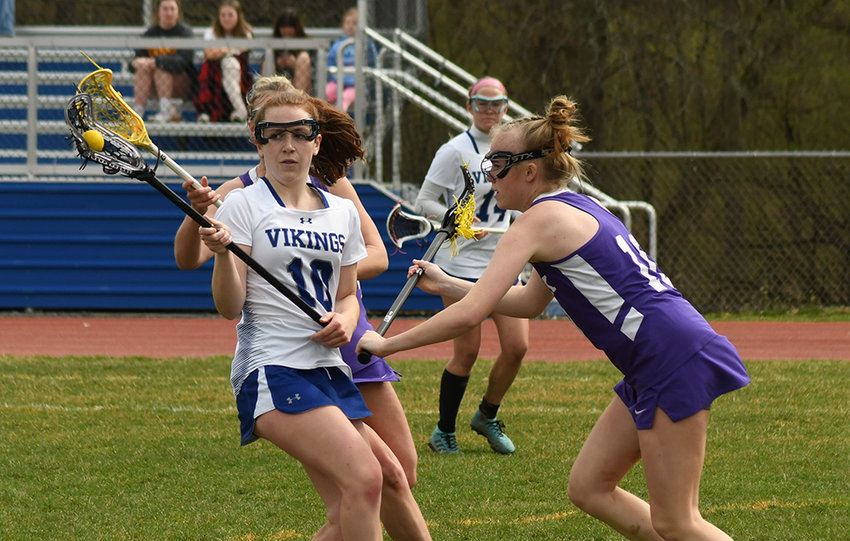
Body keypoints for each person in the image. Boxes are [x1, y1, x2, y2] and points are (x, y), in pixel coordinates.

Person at [358, 95, 751, 540]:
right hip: (659, 355)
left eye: (498, 164)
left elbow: (473, 312)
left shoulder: (536, 222)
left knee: (678, 520)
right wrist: (448, 283)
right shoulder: (571, 207)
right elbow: (529, 301)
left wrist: (386, 344)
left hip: (668, 355)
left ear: (530, 171)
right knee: (590, 487)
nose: (489, 176)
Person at [175, 76, 431, 541]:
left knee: (356, 502)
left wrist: (345, 321)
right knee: (367, 477)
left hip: (329, 368)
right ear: (258, 141)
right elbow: (229, 307)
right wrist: (224, 254)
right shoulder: (242, 203)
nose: (287, 146)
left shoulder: (341, 211)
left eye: (299, 134)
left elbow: (348, 295)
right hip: (273, 369)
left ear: (317, 141)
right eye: (275, 135)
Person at [413, 76, 528, 455]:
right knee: (467, 350)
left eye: (496, 104)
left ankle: (487, 415)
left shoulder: (517, 150)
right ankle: (443, 431)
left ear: (507, 107)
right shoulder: (454, 150)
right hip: (459, 262)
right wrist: (457, 221)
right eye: (482, 104)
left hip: (503, 259)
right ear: (469, 106)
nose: (489, 111)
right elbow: (424, 201)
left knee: (517, 347)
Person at [130, 0, 197, 123]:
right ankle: (137, 114)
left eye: (172, 9)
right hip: (154, 86)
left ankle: (165, 111)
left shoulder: (184, 32)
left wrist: (156, 61)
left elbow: (184, 61)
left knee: (161, 67)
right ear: (158, 12)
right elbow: (135, 60)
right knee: (142, 69)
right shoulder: (150, 34)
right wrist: (137, 63)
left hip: (181, 85)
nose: (169, 13)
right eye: (165, 9)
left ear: (177, 12)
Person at [194, 0, 254, 123]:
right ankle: (208, 112)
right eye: (223, 15)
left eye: (230, 15)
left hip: (237, 72)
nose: (226, 19)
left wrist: (220, 50)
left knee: (229, 63)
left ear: (238, 16)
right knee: (209, 66)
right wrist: (231, 49)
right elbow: (209, 54)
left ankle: (238, 109)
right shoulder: (211, 33)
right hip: (213, 71)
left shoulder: (246, 33)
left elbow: (242, 54)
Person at [324, 7, 377, 114]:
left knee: (346, 98)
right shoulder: (337, 45)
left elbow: (372, 62)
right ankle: (326, 120)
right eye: (347, 23)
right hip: (338, 81)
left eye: (354, 23)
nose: (350, 26)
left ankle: (339, 120)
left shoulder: (365, 44)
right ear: (343, 25)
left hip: (356, 85)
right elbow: (330, 64)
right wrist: (336, 79)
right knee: (328, 92)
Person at [271, 8, 312, 95]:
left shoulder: (307, 44)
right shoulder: (272, 44)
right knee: (268, 60)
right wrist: (277, 63)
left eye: (290, 27)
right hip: (279, 83)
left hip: (301, 86)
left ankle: (297, 99)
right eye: (283, 27)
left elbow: (314, 70)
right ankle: (270, 98)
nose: (286, 30)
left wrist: (295, 64)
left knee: (303, 58)